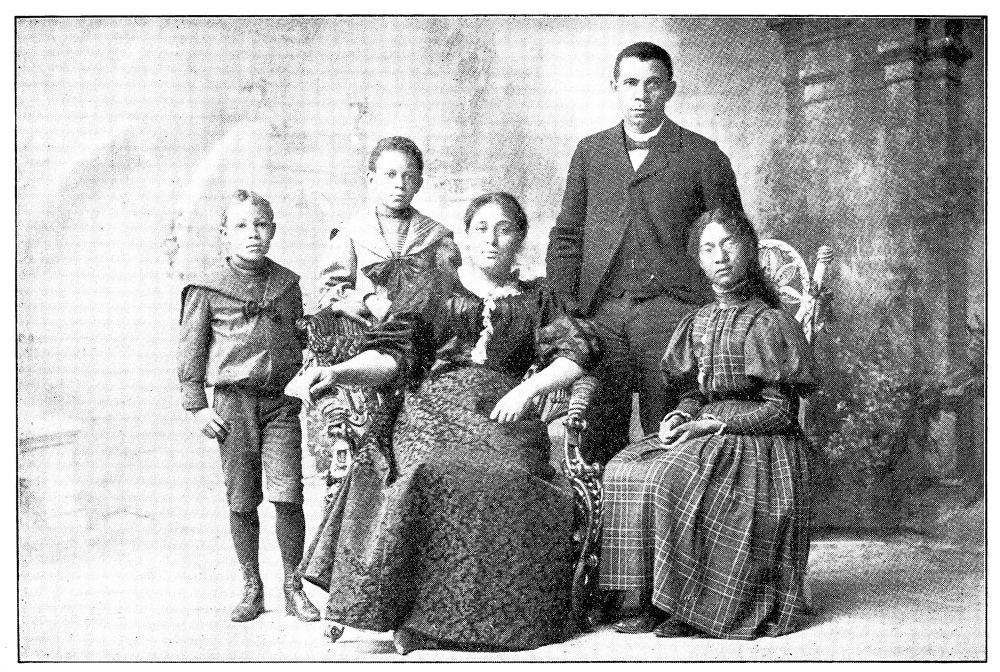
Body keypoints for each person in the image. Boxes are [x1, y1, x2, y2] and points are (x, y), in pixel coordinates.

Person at [296, 192, 600, 654]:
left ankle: (491, 623)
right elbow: (391, 357)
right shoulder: (434, 291)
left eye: (504, 229)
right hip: (433, 406)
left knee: (514, 478)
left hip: (503, 411)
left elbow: (575, 356)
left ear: (519, 239)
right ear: (466, 237)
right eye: (481, 228)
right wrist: (338, 372)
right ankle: (413, 618)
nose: (491, 239)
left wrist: (526, 391)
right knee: (427, 469)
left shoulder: (540, 298)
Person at [599, 206, 818, 640]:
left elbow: (780, 412)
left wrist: (712, 426)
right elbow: (694, 394)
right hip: (706, 429)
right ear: (698, 260)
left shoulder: (769, 322)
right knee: (623, 468)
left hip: (762, 444)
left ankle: (689, 605)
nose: (720, 256)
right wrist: (680, 416)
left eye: (728, 244)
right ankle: (646, 599)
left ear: (749, 250)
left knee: (668, 478)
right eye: (708, 248)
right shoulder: (696, 321)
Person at [546, 41, 744, 466]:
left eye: (653, 84)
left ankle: (661, 507)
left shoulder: (703, 155)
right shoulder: (590, 152)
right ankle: (599, 508)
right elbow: (566, 237)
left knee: (668, 436)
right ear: (614, 87)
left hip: (674, 314)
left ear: (670, 89)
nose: (641, 95)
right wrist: (569, 309)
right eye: (631, 83)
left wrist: (712, 313)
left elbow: (732, 237)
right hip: (603, 315)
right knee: (595, 432)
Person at [177, 189, 320, 623]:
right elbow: (190, 348)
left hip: (281, 403)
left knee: (289, 494)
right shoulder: (206, 287)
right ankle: (252, 586)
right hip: (232, 405)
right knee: (242, 498)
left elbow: (300, 335)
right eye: (241, 226)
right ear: (224, 234)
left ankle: (293, 585)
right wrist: (198, 406)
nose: (252, 234)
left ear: (273, 230)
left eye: (261, 225)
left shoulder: (287, 283)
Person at [316, 135, 461, 322]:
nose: (399, 184)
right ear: (371, 179)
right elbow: (328, 292)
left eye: (409, 176)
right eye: (390, 174)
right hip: (364, 329)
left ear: (419, 184)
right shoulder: (351, 233)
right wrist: (366, 299)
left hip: (421, 331)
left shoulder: (436, 236)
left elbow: (449, 296)